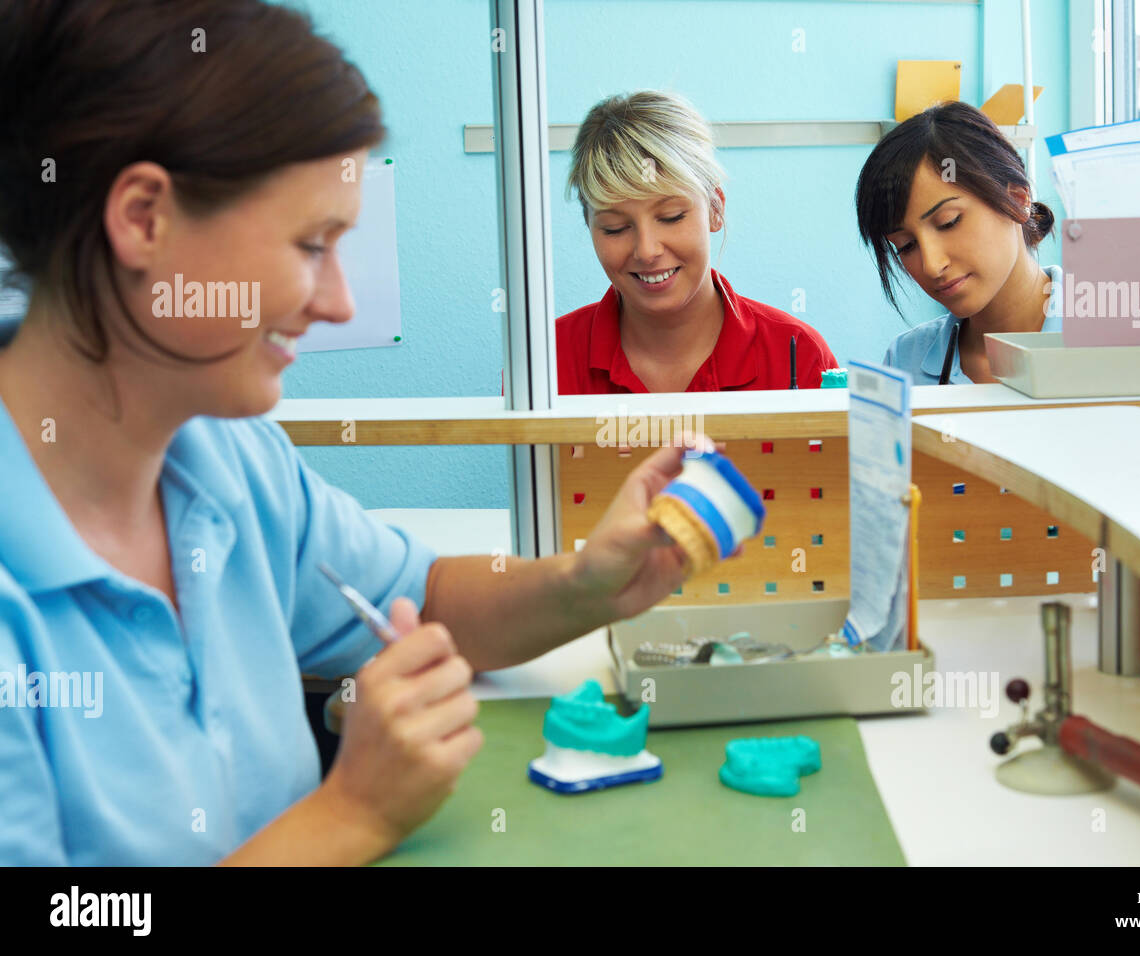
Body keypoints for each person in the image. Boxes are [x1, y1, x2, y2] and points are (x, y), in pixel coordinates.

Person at [0, 0, 693, 866]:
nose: (338, 304)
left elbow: (425, 602)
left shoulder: (226, 460)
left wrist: (589, 584)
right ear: (144, 218)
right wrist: (353, 813)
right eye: (311, 244)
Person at [556, 91, 839, 394]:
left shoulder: (801, 354)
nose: (647, 251)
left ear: (715, 209)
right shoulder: (545, 363)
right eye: (615, 228)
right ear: (590, 225)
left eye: (671, 217)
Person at [854, 101, 1061, 385]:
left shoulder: (1119, 335)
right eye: (906, 246)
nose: (932, 266)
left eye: (949, 222)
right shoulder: (904, 362)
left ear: (1017, 200)